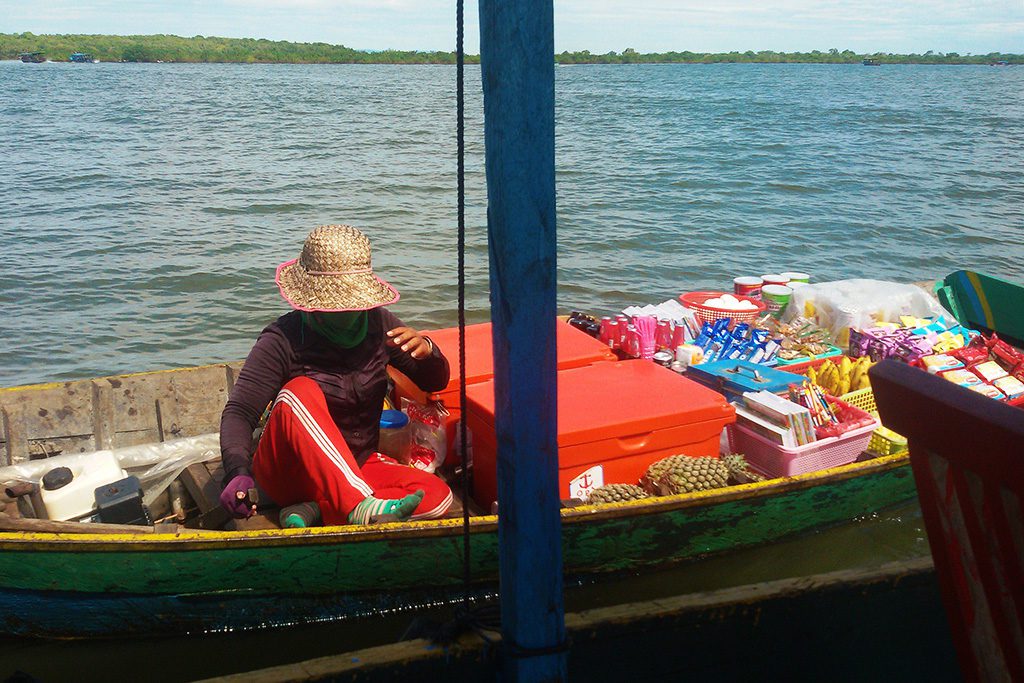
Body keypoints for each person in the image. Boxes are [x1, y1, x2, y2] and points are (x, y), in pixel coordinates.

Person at [219, 224, 453, 527]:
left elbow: (434, 382)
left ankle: (319, 508)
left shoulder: (379, 324)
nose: (343, 311)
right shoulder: (282, 338)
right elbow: (240, 412)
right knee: (298, 391)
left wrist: (427, 350)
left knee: (437, 497)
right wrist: (237, 471)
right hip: (290, 472)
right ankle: (353, 506)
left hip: (356, 465)